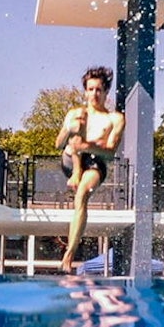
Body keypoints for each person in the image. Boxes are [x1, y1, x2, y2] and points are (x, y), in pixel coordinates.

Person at [56, 66, 125, 270]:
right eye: (91, 89)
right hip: (70, 159)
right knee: (79, 124)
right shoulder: (76, 113)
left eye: (99, 90)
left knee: (82, 195)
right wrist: (69, 129)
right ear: (85, 91)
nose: (94, 94)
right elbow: (58, 143)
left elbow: (111, 150)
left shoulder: (115, 119)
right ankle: (76, 173)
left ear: (105, 93)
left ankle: (69, 255)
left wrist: (87, 146)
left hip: (95, 162)